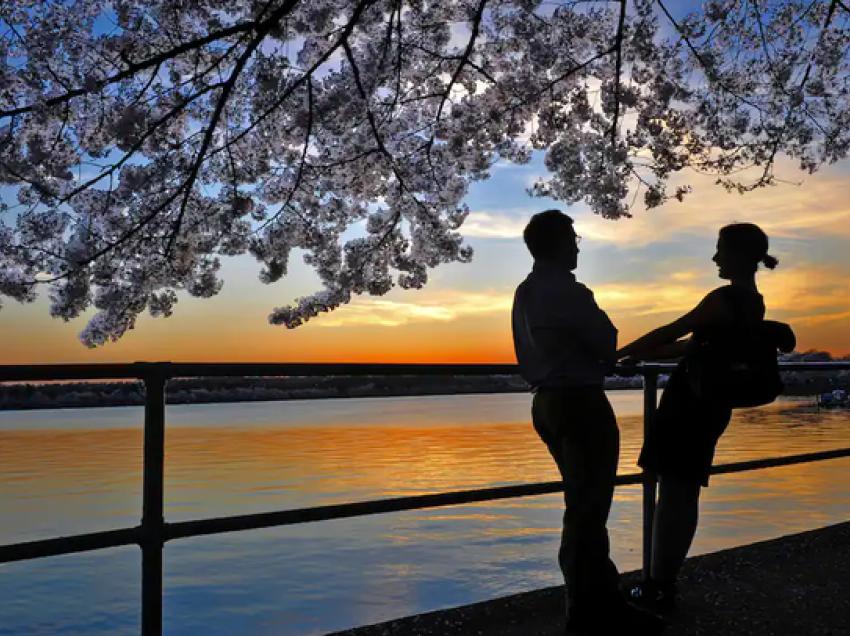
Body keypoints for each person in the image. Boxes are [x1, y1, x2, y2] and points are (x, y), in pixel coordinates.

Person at [616, 222, 794, 612]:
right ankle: (663, 581)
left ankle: (658, 585)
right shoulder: (753, 301)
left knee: (674, 493)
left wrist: (612, 356)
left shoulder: (723, 298)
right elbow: (691, 347)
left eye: (720, 249)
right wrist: (640, 356)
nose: (715, 257)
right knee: (684, 490)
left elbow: (671, 330)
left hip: (688, 403)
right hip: (712, 405)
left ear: (742, 255)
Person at [512, 209, 664, 635]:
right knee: (588, 509)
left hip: (545, 401)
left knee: (582, 505)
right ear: (561, 242)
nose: (578, 246)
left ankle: (599, 602)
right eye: (574, 239)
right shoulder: (567, 290)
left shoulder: (525, 291)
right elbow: (606, 340)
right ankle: (588, 611)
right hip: (579, 401)